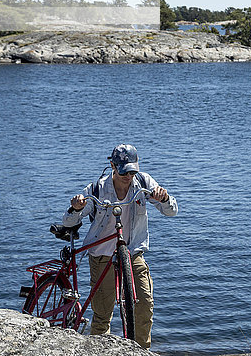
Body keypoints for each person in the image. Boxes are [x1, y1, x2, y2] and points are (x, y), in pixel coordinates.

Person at [62, 144, 178, 349]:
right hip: (102, 254)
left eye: (132, 171)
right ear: (112, 166)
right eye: (124, 171)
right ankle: (99, 351)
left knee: (144, 304)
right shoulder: (97, 188)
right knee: (102, 314)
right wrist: (76, 207)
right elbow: (69, 222)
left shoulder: (143, 182)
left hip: (132, 251)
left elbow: (171, 211)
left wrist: (164, 198)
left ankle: (142, 351)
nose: (129, 176)